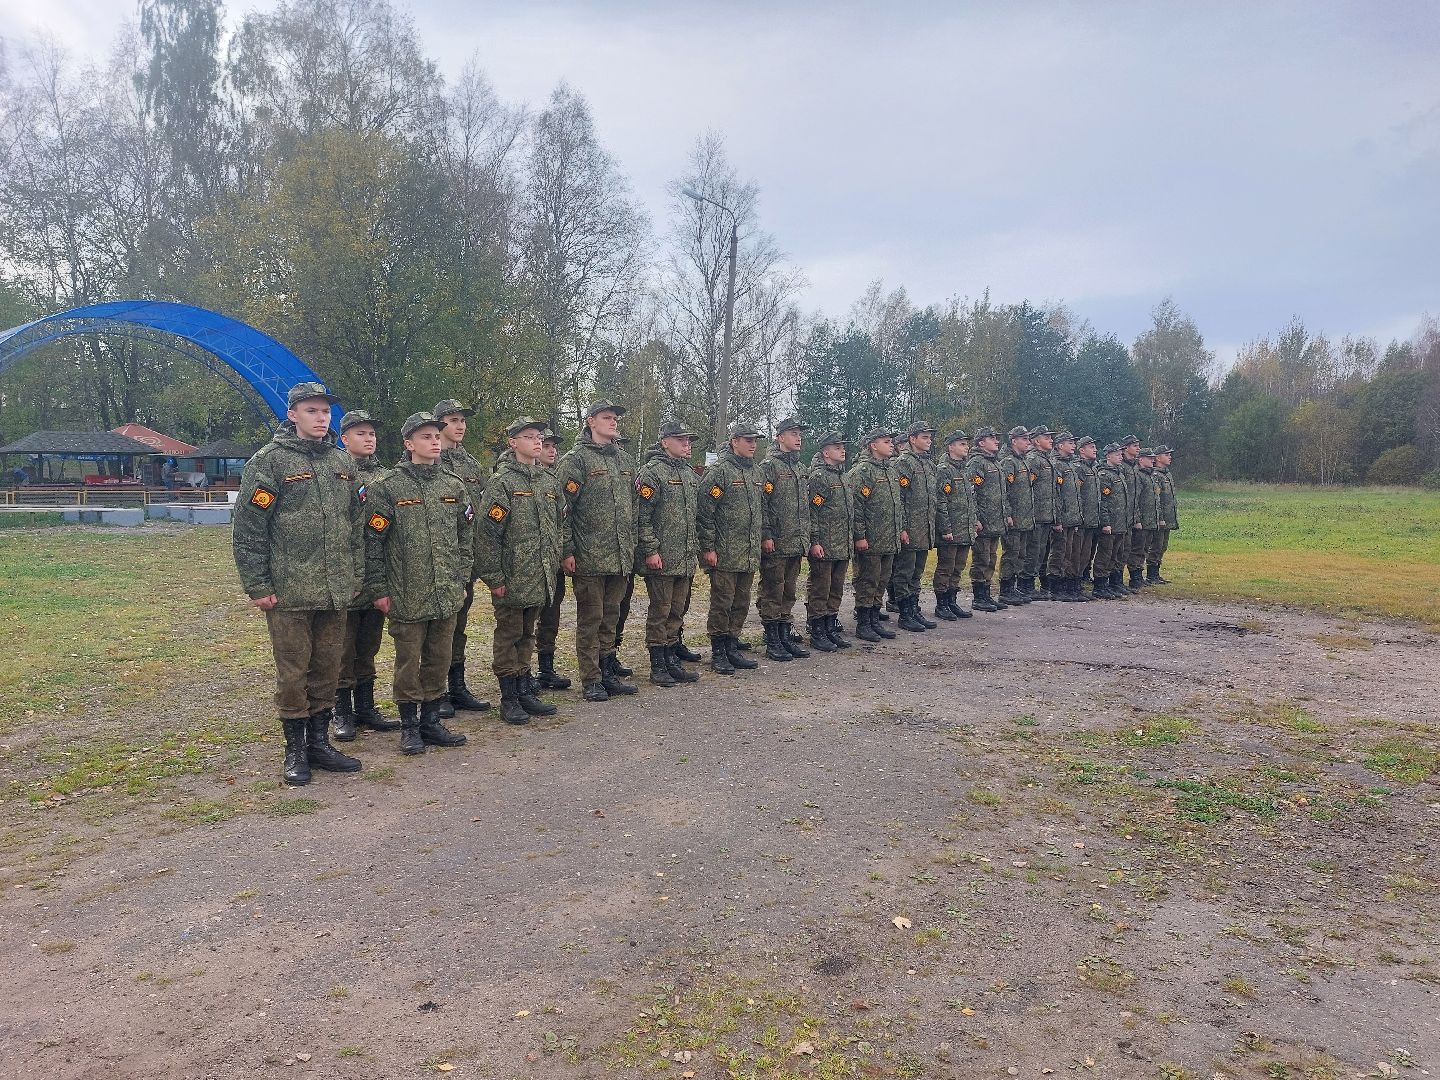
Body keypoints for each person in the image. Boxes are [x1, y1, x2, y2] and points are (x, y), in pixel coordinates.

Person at [233, 381, 364, 786]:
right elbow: (250, 528)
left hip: (335, 588)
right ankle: (294, 748)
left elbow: (355, 524)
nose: (321, 418)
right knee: (294, 671)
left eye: (325, 412)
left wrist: (355, 575)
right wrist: (257, 584)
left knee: (327, 667)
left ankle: (320, 743)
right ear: (292, 414)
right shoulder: (270, 462)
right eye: (312, 411)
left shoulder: (343, 463)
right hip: (288, 591)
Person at [363, 412, 472, 754]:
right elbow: (373, 541)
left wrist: (462, 578)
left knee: (439, 657)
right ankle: (409, 726)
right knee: (409, 662)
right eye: (426, 437)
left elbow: (465, 536)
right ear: (409, 444)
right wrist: (379, 588)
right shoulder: (388, 487)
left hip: (446, 591)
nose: (435, 441)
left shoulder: (453, 485)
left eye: (437, 436)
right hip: (406, 592)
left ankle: (431, 720)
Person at [475, 418, 564, 724]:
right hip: (513, 576)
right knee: (509, 636)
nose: (537, 442)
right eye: (529, 437)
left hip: (540, 575)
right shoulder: (502, 483)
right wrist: (495, 577)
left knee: (528, 635)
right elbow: (487, 535)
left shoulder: (548, 482)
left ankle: (525, 689)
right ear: (513, 442)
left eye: (539, 437)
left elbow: (558, 526)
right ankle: (509, 696)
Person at [557, 401, 639, 700]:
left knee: (611, 618)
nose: (614, 422)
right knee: (590, 620)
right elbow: (562, 510)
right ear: (591, 421)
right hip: (589, 557)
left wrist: (633, 547)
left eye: (616, 418)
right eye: (607, 418)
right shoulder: (576, 460)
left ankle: (607, 671)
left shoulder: (626, 460)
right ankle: (591, 679)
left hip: (619, 557)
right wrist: (567, 550)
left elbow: (635, 509)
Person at [332, 409, 400, 741]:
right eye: (360, 433)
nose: (368, 438)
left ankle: (366, 707)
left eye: (371, 433)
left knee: (368, 645)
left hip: (376, 575)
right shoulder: (334, 474)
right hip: (344, 574)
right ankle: (341, 712)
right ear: (344, 438)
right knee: (343, 649)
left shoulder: (387, 479)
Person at [635, 420, 702, 686]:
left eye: (689, 441)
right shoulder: (652, 473)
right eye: (681, 440)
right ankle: (658, 663)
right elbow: (642, 516)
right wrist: (650, 549)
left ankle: (672, 658)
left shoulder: (688, 474)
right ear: (665, 442)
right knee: (660, 611)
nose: (687, 444)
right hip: (662, 558)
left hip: (684, 556)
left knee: (677, 611)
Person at [435, 398, 491, 716]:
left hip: (463, 559)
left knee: (459, 625)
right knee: (438, 628)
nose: (460, 425)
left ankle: (457, 686)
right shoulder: (428, 460)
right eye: (453, 420)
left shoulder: (470, 465)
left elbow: (478, 513)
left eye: (463, 420)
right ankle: (436, 689)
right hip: (436, 558)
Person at [697, 421, 765, 673]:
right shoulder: (719, 472)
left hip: (747, 552)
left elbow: (761, 511)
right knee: (722, 603)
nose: (753, 444)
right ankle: (718, 651)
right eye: (747, 440)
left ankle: (732, 644)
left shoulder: (756, 473)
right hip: (724, 552)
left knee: (741, 601)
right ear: (734, 442)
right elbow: (706, 513)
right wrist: (708, 547)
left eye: (755, 440)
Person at [757, 417, 813, 662]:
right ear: (780, 437)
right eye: (793, 433)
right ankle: (772, 638)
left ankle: (784, 633)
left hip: (795, 540)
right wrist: (767, 534)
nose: (798, 437)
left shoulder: (800, 468)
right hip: (776, 542)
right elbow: (763, 504)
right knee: (773, 589)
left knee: (789, 591)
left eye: (799, 433)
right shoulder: (769, 467)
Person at [847, 428, 906, 642]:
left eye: (891, 441)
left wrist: (900, 529)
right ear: (873, 445)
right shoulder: (862, 472)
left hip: (888, 538)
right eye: (886, 441)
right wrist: (860, 535)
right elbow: (856, 508)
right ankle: (863, 623)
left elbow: (897, 505)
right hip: (870, 541)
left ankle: (873, 619)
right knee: (867, 581)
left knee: (881, 581)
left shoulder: (890, 471)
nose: (891, 445)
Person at [804, 431, 854, 652]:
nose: (842, 450)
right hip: (825, 543)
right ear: (826, 452)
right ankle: (817, 630)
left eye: (843, 446)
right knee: (820, 588)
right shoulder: (819, 477)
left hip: (842, 543)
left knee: (836, 588)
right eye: (837, 447)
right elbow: (812, 512)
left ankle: (829, 626)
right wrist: (814, 541)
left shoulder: (842, 476)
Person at [891, 421, 939, 633]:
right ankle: (905, 613)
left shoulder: (928, 464)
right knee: (905, 572)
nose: (929, 441)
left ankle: (914, 608)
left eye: (930, 437)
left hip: (924, 528)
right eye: (924, 437)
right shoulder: (904, 464)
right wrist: (902, 527)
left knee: (917, 572)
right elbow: (898, 498)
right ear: (912, 439)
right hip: (910, 529)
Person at [533, 428, 572, 689]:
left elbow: (562, 522)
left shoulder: (553, 482)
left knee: (551, 615)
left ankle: (546, 668)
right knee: (524, 623)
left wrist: (564, 552)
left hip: (553, 561)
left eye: (553, 446)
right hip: (529, 564)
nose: (551, 450)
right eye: (545, 445)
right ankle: (522, 675)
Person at [965, 427, 1008, 613]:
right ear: (981, 442)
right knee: (981, 559)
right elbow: (971, 493)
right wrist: (975, 518)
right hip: (983, 520)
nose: (996, 441)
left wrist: (1005, 515)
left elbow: (1002, 494)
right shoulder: (977, 463)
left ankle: (987, 593)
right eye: (992, 438)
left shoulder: (995, 463)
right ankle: (978, 596)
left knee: (991, 558)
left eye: (996, 438)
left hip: (995, 520)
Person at [933, 429, 974, 620]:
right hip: (951, 530)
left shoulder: (964, 469)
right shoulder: (944, 470)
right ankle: (941, 604)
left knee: (958, 567)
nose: (966, 447)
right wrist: (946, 528)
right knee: (946, 567)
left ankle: (952, 601)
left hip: (964, 529)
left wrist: (973, 522)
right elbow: (940, 501)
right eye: (962, 444)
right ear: (951, 447)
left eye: (966, 444)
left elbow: (970, 499)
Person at [998, 426, 1035, 606]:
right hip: (1014, 517)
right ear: (1014, 441)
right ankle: (1005, 589)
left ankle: (1013, 587)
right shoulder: (1008, 462)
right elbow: (1004, 491)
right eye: (1024, 439)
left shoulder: (1023, 461)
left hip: (1025, 518)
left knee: (1020, 554)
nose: (1028, 442)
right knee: (1011, 553)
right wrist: (1008, 514)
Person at [1046, 431, 1085, 601]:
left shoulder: (1071, 465)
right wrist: (1057, 519)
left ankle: (1068, 586)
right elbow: (1056, 494)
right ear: (1060, 445)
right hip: (1062, 519)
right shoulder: (1056, 465)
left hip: (1072, 518)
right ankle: (1055, 587)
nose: (1074, 445)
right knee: (1058, 552)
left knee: (1069, 553)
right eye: (1070, 442)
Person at [1024, 425, 1059, 600]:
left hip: (1046, 515)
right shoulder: (1033, 460)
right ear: (1037, 441)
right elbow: (1027, 487)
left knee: (1041, 551)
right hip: (1035, 515)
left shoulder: (1046, 460)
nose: (1051, 440)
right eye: (1047, 438)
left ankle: (1031, 584)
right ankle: (1026, 585)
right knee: (1032, 551)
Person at [1093, 443, 1130, 600]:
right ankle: (1099, 585)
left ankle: (1110, 583)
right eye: (1116, 454)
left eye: (1121, 454)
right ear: (1108, 456)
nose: (1120, 457)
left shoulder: (1119, 474)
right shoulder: (1104, 475)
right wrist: (1106, 522)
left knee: (1115, 555)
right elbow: (1103, 502)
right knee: (1105, 554)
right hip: (1110, 524)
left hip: (1120, 523)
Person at [1071, 436, 1103, 599]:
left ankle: (1078, 585)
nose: (1095, 449)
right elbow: (1076, 495)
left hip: (1091, 521)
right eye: (1091, 447)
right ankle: (1072, 587)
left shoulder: (1093, 468)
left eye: (1095, 447)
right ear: (1081, 450)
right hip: (1081, 521)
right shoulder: (1079, 469)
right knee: (1075, 555)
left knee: (1085, 555)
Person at [1116, 434, 1144, 593]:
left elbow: (1136, 495)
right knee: (1119, 550)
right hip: (1121, 515)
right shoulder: (1122, 467)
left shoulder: (1134, 466)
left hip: (1132, 514)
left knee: (1127, 549)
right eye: (1134, 445)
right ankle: (1116, 580)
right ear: (1125, 448)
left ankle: (1123, 581)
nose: (1138, 448)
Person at [1133, 447, 1161, 588]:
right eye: (1149, 458)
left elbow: (1156, 499)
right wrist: (1137, 519)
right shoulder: (1138, 476)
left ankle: (1140, 575)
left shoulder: (1151, 476)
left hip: (1150, 521)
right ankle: (1135, 577)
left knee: (1145, 549)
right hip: (1142, 521)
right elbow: (1135, 500)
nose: (1152, 460)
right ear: (1141, 459)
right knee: (1138, 549)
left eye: (1153, 458)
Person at [1150, 445, 1178, 583]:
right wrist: (1160, 518)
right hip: (1160, 519)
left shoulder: (1167, 474)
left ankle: (1156, 573)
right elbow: (1156, 499)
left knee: (1163, 546)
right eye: (1166, 455)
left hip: (1168, 518)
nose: (1169, 457)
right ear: (1157, 458)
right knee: (1156, 546)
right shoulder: (1156, 476)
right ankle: (1151, 574)